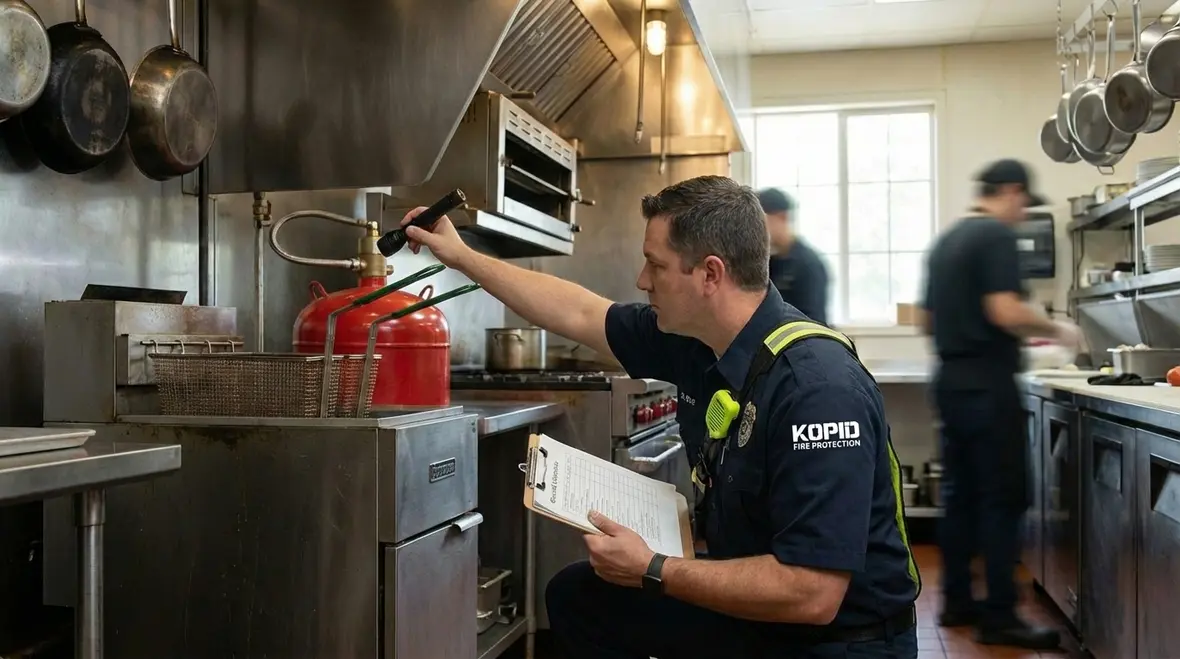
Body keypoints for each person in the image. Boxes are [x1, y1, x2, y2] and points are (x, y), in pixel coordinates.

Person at [402, 175, 921, 658]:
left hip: (839, 641)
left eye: (657, 265)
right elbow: (581, 312)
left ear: (710, 275)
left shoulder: (816, 387)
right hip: (766, 617)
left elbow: (813, 593)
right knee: (579, 595)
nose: (641, 279)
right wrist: (461, 256)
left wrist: (653, 568)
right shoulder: (698, 342)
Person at [920, 159, 1080, 650]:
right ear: (1011, 191)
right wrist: (1058, 329)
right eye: (1026, 202)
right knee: (1002, 498)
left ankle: (957, 601)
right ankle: (1000, 616)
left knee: (961, 497)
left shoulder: (946, 242)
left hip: (950, 379)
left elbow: (927, 321)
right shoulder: (995, 237)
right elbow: (1004, 309)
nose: (1024, 212)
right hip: (989, 385)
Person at [758, 188, 830, 325]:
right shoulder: (768, 262)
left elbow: (815, 323)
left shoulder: (808, 264)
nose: (757, 229)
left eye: (762, 222)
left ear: (782, 217)